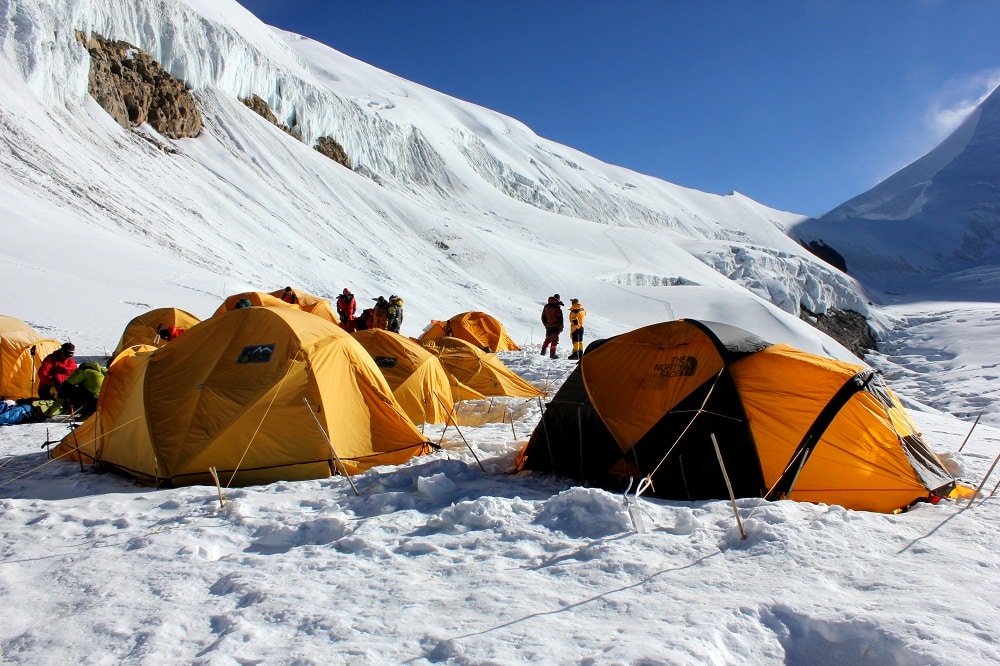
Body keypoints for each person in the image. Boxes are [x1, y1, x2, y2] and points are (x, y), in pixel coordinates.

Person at [540, 294, 564, 359]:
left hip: (548, 327)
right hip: (555, 327)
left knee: (547, 339)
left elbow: (543, 317)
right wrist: (561, 327)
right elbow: (560, 319)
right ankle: (552, 354)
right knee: (554, 341)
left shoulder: (546, 307)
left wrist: (546, 325)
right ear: (558, 299)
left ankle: (542, 352)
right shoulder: (557, 308)